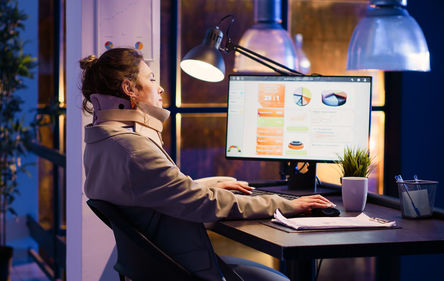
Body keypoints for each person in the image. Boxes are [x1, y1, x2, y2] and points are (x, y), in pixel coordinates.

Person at [81, 48, 334, 281]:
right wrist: (284, 204)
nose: (159, 89)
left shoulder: (102, 140)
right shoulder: (132, 148)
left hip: (158, 267)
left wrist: (209, 184)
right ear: (129, 89)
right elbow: (204, 204)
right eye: (151, 79)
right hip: (184, 269)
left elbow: (148, 192)